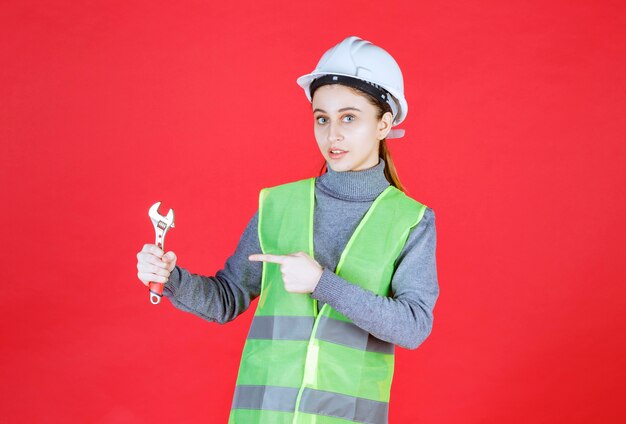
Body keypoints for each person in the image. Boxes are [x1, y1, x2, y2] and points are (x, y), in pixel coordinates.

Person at [136, 35, 439, 424]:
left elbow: (413, 327)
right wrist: (171, 278)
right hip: (263, 416)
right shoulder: (277, 205)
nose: (333, 135)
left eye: (349, 117)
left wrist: (321, 283)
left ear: (384, 124)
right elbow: (228, 298)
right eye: (322, 118)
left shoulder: (410, 220)